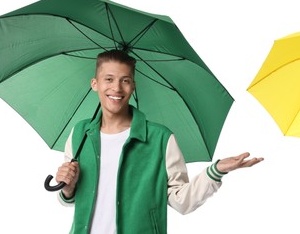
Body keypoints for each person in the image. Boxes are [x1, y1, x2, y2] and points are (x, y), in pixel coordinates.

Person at [53, 50, 263, 234]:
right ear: (95, 84)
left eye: (125, 80)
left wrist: (216, 171)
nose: (116, 88)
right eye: (108, 79)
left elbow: (182, 201)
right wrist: (67, 188)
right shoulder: (80, 133)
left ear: (133, 86)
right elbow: (70, 199)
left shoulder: (160, 139)